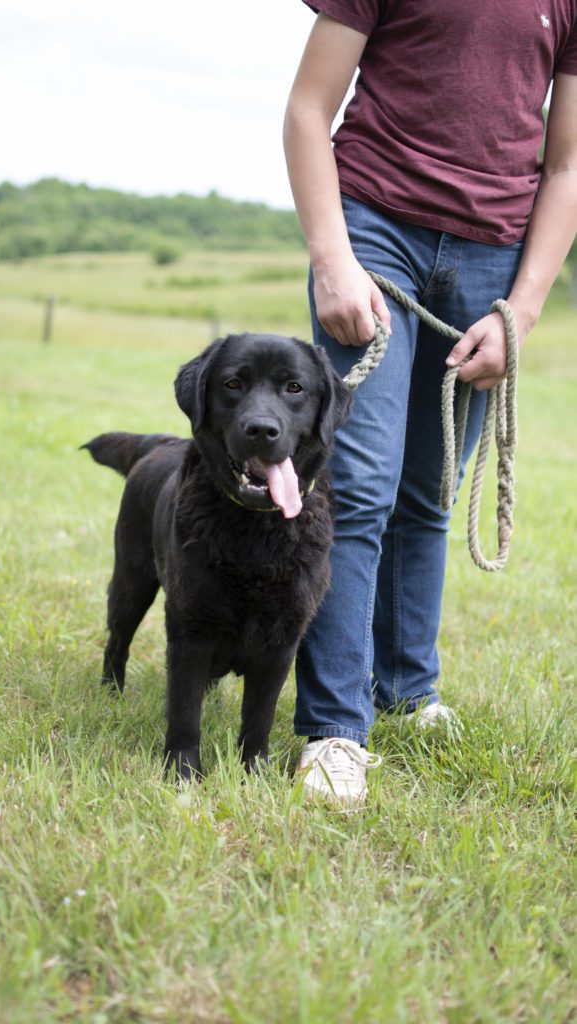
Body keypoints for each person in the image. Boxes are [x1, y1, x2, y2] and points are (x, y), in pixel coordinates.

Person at [283, 0, 577, 807]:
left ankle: (407, 695)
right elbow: (310, 107)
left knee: (428, 492)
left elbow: (565, 165)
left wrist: (522, 310)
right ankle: (334, 729)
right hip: (375, 229)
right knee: (362, 486)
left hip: (493, 257)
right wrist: (330, 256)